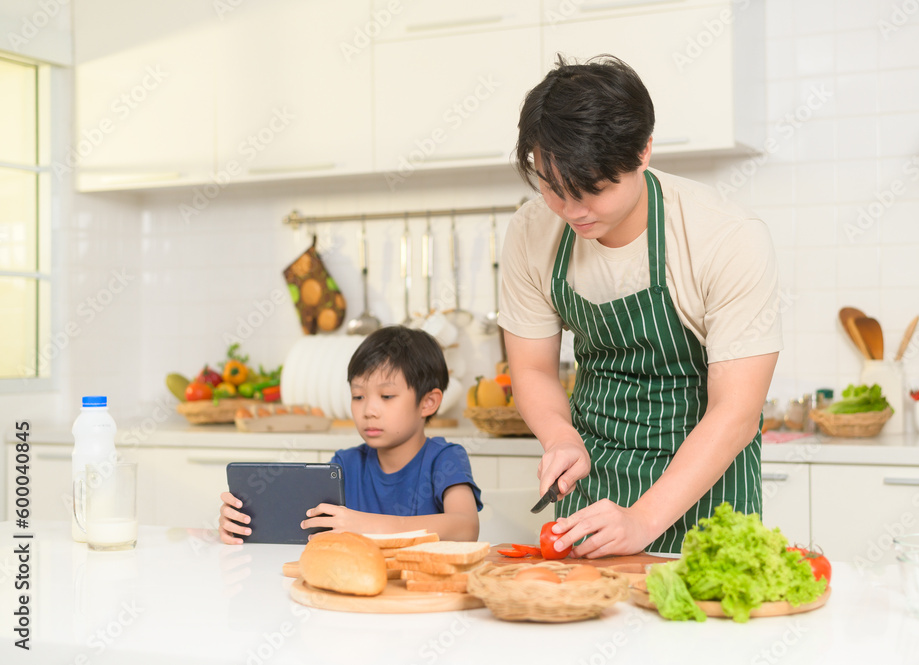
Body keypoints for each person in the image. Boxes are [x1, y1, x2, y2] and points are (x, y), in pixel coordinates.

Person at [499, 55, 781, 557]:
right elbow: (533, 370)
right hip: (593, 489)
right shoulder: (530, 231)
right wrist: (560, 437)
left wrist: (644, 519)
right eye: (553, 188)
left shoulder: (726, 237)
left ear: (644, 151)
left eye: (594, 190)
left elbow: (736, 412)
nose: (573, 210)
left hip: (707, 498)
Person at [218, 326, 482, 543]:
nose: (368, 410)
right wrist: (242, 523)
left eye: (387, 396)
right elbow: (308, 527)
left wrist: (371, 525)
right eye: (358, 396)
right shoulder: (344, 465)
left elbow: (466, 528)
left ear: (428, 402)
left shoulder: (446, 459)